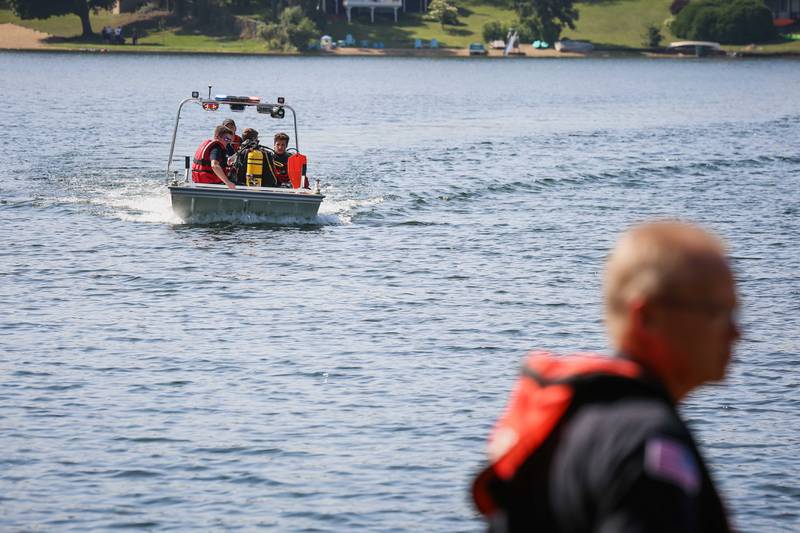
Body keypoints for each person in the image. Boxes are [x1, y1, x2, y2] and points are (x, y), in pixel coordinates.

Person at [472, 221, 738, 533]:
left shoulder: (567, 425)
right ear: (646, 317)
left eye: (735, 312)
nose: (735, 332)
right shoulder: (648, 443)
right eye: (715, 312)